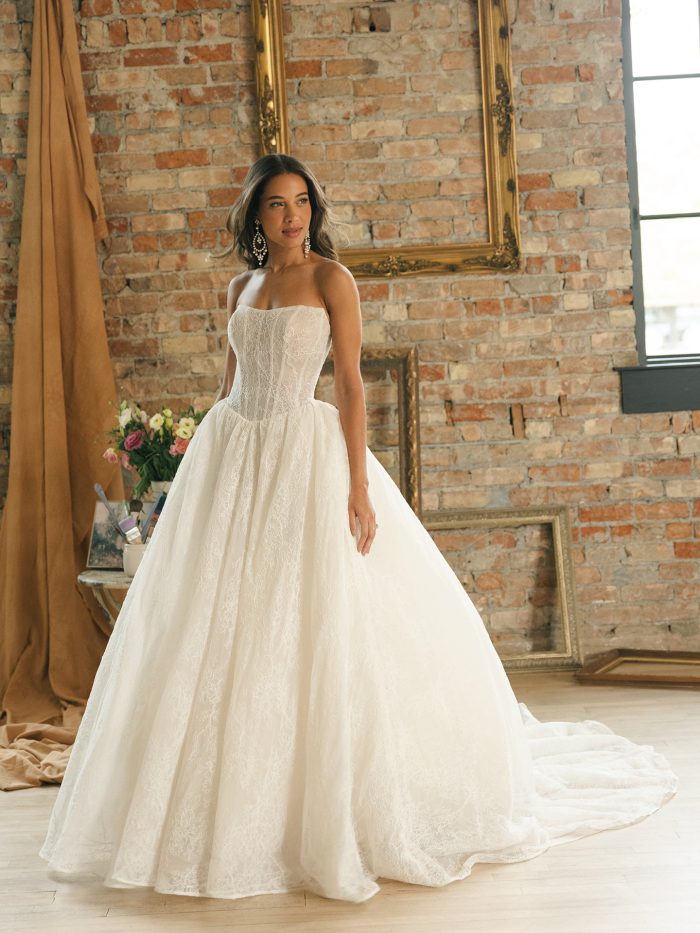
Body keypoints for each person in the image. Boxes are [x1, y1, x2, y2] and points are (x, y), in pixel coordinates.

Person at [39, 154, 678, 904]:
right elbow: (225, 383)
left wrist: (357, 485)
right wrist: (194, 467)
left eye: (301, 202)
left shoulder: (331, 281)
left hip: (302, 457)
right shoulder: (241, 287)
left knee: (306, 618)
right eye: (277, 205)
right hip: (235, 453)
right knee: (223, 625)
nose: (293, 216)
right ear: (255, 217)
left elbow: (346, 382)